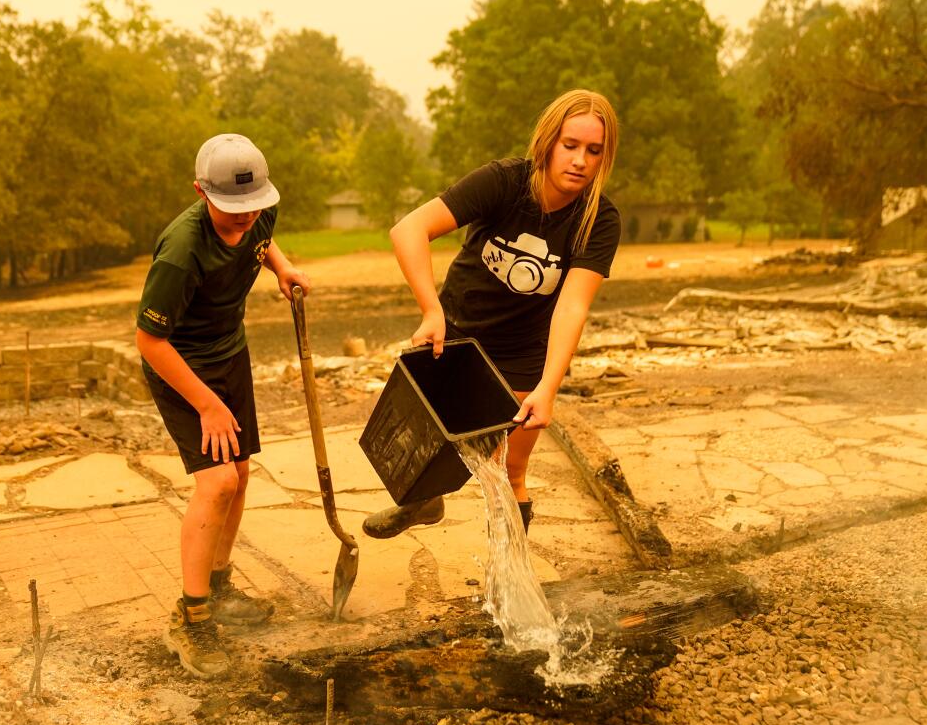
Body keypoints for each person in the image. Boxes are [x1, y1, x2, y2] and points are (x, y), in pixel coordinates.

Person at [363, 89, 620, 539]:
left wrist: (548, 387)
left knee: (508, 470)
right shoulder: (502, 182)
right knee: (424, 450)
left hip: (523, 353)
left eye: (593, 151)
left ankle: (512, 587)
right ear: (548, 142)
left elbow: (573, 305)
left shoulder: (598, 219)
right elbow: (409, 230)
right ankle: (423, 502)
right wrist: (430, 310)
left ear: (604, 157)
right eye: (571, 145)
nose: (580, 160)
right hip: (456, 334)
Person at [136, 133, 309, 678]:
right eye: (231, 209)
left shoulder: (257, 208)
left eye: (252, 205)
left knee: (240, 471)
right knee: (217, 483)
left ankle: (220, 586)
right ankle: (191, 620)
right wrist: (206, 404)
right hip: (180, 366)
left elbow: (261, 237)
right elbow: (149, 342)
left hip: (228, 353)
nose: (244, 217)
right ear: (199, 191)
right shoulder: (182, 251)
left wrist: (282, 268)